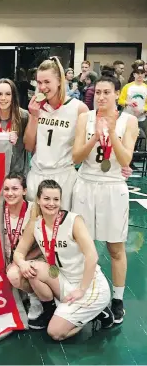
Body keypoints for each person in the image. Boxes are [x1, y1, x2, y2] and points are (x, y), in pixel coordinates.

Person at [72, 70, 138, 324]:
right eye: (97, 92)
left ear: (116, 95)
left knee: (115, 247)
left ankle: (118, 300)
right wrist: (92, 138)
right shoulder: (85, 118)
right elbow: (76, 158)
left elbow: (125, 160)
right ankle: (85, 292)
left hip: (113, 186)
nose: (101, 97)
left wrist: (111, 133)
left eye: (106, 92)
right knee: (82, 246)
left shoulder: (128, 121)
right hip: (86, 184)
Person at [13, 180, 113, 337]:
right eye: (46, 199)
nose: (51, 203)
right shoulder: (36, 224)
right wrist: (22, 263)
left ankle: (98, 311)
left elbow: (92, 256)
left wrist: (81, 289)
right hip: (64, 280)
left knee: (55, 332)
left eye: (56, 199)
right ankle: (50, 310)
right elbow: (18, 253)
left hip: (89, 286)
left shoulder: (73, 221)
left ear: (61, 201)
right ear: (38, 200)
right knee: (33, 268)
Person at [24, 57, 88, 210]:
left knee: (63, 230)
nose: (42, 87)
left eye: (47, 82)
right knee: (35, 228)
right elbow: (28, 145)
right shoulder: (35, 107)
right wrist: (33, 116)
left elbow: (87, 147)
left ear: (59, 81)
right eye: (39, 83)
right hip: (37, 173)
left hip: (64, 175)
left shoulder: (79, 108)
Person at [2, 173, 43, 323]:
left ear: (24, 191)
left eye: (15, 188)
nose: (10, 193)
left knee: (14, 274)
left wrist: (20, 260)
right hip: (6, 259)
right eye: (6, 189)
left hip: (31, 257)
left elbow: (43, 246)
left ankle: (36, 300)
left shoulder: (35, 210)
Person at [0, 79, 29, 174]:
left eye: (8, 94)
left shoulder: (24, 116)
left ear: (13, 96)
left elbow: (30, 145)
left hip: (18, 176)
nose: (3, 98)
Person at [118, 65, 147, 148]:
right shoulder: (127, 87)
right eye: (137, 73)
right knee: (125, 137)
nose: (140, 75)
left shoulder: (146, 88)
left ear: (144, 75)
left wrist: (143, 110)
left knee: (142, 138)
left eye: (142, 73)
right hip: (127, 117)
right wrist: (128, 103)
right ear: (134, 75)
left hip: (141, 118)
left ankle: (140, 155)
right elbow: (120, 101)